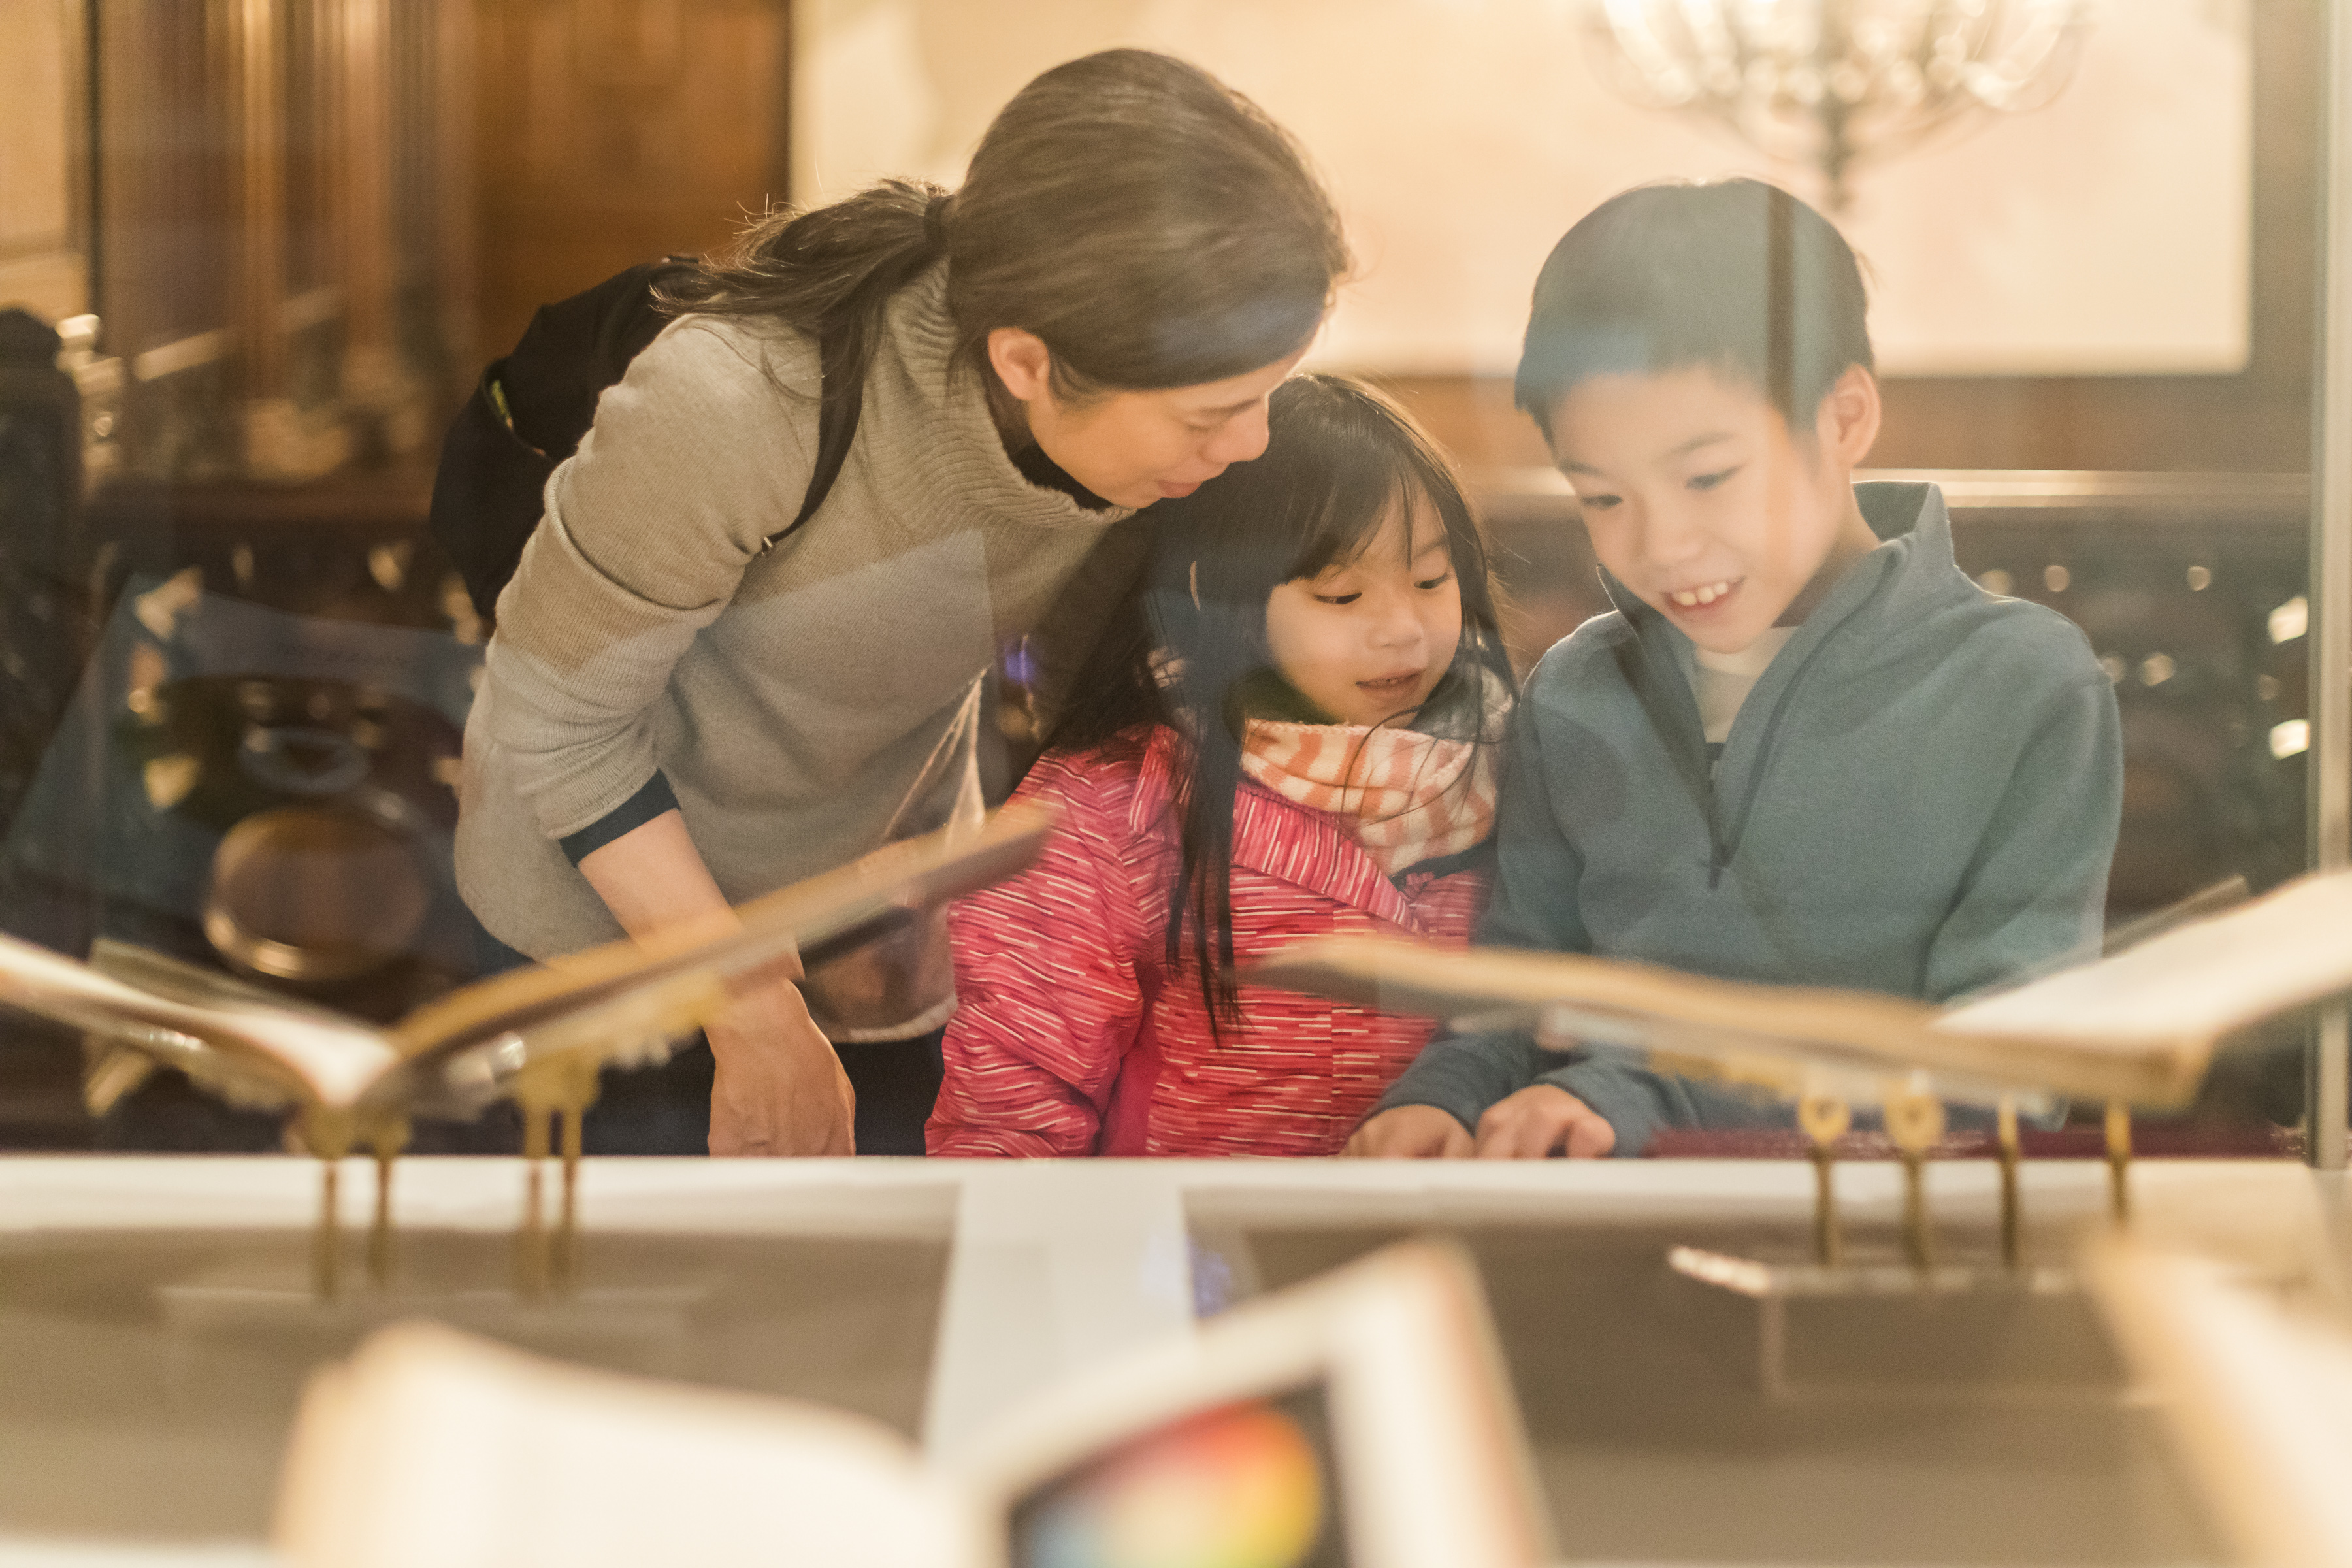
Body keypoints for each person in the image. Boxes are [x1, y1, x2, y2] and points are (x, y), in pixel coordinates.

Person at [457, 51, 1350, 1157]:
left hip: (868, 912)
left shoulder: (1147, 423)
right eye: (1216, 411)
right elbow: (561, 722)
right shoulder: (746, 401)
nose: (1252, 443)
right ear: (1024, 362)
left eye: (1266, 394)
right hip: (608, 926)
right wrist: (750, 1007)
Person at [1349, 178, 2123, 1161]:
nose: (1663, 544)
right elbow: (1523, 989)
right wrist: (1442, 1101)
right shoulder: (1575, 690)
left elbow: (2004, 1070)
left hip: (1881, 1250)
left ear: (1844, 419)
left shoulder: (2026, 685)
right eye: (1603, 497)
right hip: (1592, 1227)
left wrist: (1649, 1099)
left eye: (1709, 477)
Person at [926, 374, 1514, 1157]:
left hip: (1446, 1254)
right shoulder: (1116, 801)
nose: (1404, 629)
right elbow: (1013, 1087)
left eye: (1432, 580)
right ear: (1218, 598)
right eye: (1342, 595)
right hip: (1195, 1258)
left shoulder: (1519, 767)